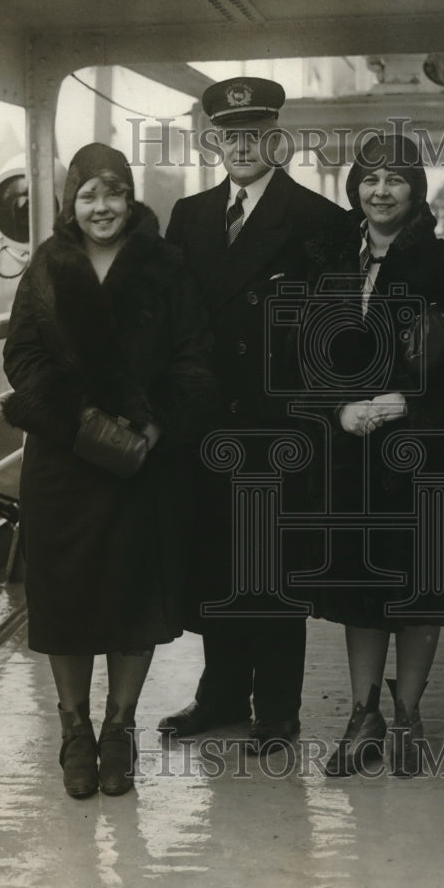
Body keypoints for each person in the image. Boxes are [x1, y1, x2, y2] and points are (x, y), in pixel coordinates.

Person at [2, 142, 216, 798]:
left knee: (133, 594)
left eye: (113, 193)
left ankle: (119, 729)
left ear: (130, 198)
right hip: (63, 461)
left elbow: (194, 358)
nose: (102, 207)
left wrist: (152, 427)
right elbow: (22, 357)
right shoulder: (47, 264)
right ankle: (75, 731)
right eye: (89, 195)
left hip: (142, 461)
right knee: (64, 594)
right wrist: (81, 421)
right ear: (72, 202)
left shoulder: (165, 265)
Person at [305, 133, 444, 777]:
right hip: (353, 459)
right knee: (360, 590)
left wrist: (408, 405)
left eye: (395, 180)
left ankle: (407, 719)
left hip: (423, 455)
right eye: (370, 179)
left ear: (415, 191)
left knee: (421, 589)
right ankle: (361, 716)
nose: (381, 191)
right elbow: (305, 354)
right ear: (354, 191)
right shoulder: (334, 264)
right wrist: (339, 408)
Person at [159, 77, 346, 754]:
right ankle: (218, 697)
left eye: (254, 132)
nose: (241, 144)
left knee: (271, 567)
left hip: (278, 427)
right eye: (228, 134)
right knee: (214, 561)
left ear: (276, 137)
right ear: (215, 140)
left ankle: (276, 708)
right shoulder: (190, 215)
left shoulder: (319, 220)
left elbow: (335, 338)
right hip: (206, 427)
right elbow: (172, 324)